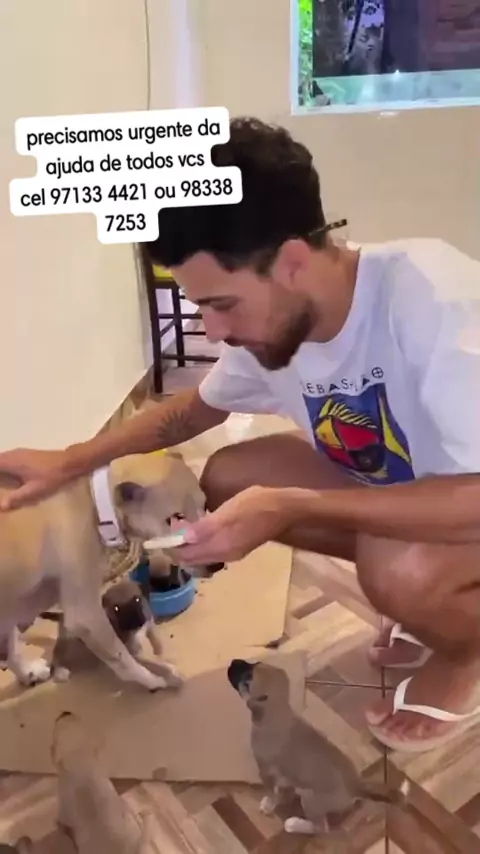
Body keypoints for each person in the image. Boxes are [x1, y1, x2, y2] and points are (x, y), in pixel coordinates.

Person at [1, 116, 480, 752]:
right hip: (414, 491)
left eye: (221, 304)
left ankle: (464, 651)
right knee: (231, 476)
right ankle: (429, 593)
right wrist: (69, 461)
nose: (214, 331)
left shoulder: (436, 300)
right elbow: (187, 414)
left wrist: (293, 505)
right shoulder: (277, 320)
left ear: (292, 262)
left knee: (400, 567)